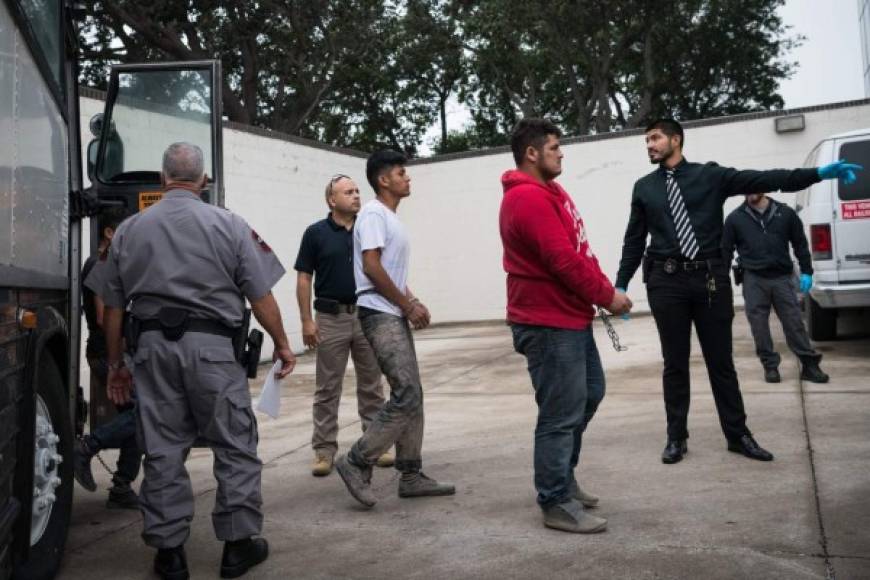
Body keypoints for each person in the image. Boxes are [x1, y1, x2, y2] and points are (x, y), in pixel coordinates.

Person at [101, 142, 296, 580]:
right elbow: (259, 295)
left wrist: (116, 364)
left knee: (163, 448)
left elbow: (112, 307)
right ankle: (238, 546)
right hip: (212, 350)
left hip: (151, 350)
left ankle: (170, 554)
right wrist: (283, 344)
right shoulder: (229, 224)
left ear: (163, 179)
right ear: (203, 180)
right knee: (233, 443)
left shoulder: (130, 230)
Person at [615, 118, 860, 464]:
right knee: (675, 362)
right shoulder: (644, 188)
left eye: (655, 138)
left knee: (721, 362)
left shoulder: (710, 176)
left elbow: (768, 178)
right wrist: (621, 283)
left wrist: (819, 173)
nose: (649, 145)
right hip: (666, 282)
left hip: (709, 282)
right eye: (646, 140)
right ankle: (676, 437)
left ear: (676, 139)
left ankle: (738, 435)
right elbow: (634, 239)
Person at [499, 118, 632, 534]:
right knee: (560, 413)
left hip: (568, 317)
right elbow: (562, 260)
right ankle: (554, 499)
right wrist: (606, 295)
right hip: (545, 321)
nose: (561, 153)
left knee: (589, 394)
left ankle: (563, 477)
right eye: (554, 146)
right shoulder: (527, 199)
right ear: (532, 153)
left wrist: (600, 290)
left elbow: (579, 249)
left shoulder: (551, 192)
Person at [334, 150, 455, 508]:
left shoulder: (389, 217)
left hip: (392, 310)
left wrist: (412, 300)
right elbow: (371, 267)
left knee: (412, 391)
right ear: (384, 179)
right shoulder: (372, 214)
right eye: (402, 172)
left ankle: (411, 474)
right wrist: (405, 305)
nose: (408, 177)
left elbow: (389, 272)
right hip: (379, 313)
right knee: (406, 393)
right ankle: (357, 461)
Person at [295, 174, 391, 477]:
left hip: (366, 315)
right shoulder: (315, 233)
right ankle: (324, 451)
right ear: (331, 200)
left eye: (357, 190)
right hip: (330, 318)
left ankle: (376, 445)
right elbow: (303, 278)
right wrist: (306, 320)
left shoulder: (367, 228)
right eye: (348, 192)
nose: (356, 195)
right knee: (327, 388)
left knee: (372, 385)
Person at [74, 206, 142, 510]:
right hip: (106, 352)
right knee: (143, 415)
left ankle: (122, 487)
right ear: (109, 233)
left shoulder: (107, 263)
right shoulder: (100, 264)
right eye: (124, 230)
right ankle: (88, 446)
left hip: (111, 352)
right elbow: (104, 316)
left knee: (139, 417)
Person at [722, 192, 829, 384]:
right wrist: (720, 279)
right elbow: (726, 251)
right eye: (746, 189)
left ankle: (809, 365)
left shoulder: (785, 213)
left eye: (754, 188)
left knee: (794, 322)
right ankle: (770, 366)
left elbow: (800, 244)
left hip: (782, 278)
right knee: (759, 326)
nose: (750, 193)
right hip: (753, 279)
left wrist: (807, 271)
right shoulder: (735, 219)